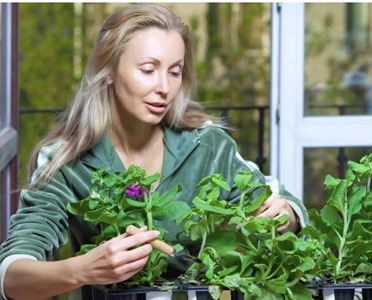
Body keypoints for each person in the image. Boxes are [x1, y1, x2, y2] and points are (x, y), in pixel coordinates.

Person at [0, 4, 308, 300]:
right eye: (148, 70)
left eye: (175, 72)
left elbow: (285, 205)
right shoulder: (65, 161)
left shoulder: (207, 145)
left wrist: (284, 216)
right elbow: (12, 276)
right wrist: (84, 270)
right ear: (108, 71)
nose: (164, 87)